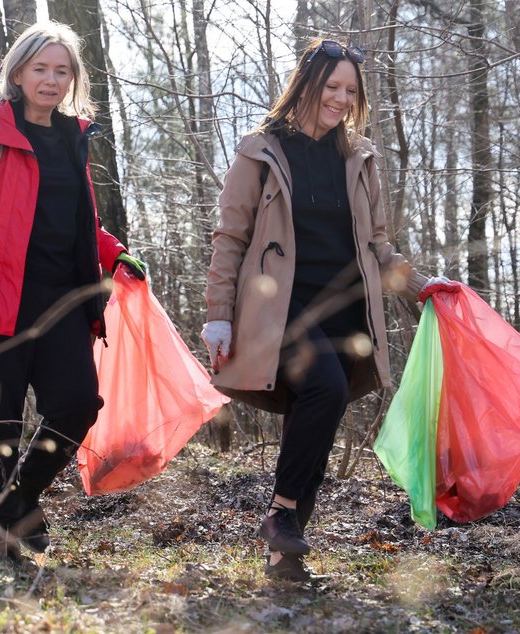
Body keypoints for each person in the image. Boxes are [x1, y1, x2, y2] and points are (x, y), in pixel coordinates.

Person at [201, 38, 450, 582]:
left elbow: (379, 248)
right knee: (328, 391)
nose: (340, 99)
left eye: (351, 91)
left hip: (344, 314)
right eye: (332, 86)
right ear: (306, 84)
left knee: (315, 417)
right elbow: (229, 237)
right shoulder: (260, 150)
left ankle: (282, 555)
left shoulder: (359, 158)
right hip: (278, 311)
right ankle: (283, 514)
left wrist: (423, 285)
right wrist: (217, 312)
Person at [0, 22, 146, 562]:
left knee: (76, 403)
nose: (50, 79)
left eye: (61, 70)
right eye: (40, 68)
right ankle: (3, 544)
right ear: (16, 73)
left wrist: (111, 251)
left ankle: (17, 504)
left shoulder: (73, 138)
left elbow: (76, 217)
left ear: (73, 79)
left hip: (62, 299)